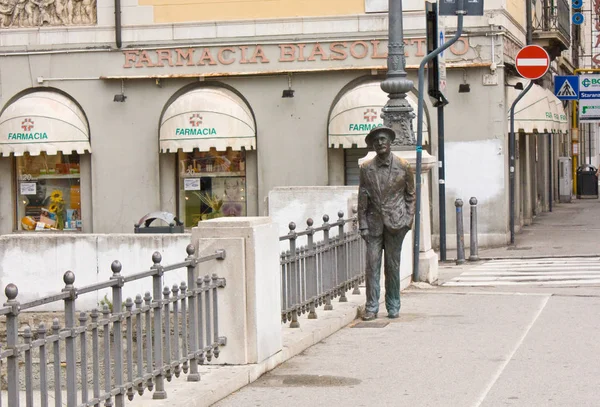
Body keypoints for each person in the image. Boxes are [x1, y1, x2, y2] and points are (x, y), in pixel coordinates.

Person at [358, 126, 416, 321]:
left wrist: (408, 220)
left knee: (393, 266)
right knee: (371, 266)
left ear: (390, 142)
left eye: (383, 139)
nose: (380, 143)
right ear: (373, 145)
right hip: (373, 224)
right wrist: (363, 224)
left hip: (396, 223)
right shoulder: (366, 168)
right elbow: (362, 198)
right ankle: (372, 307)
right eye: (376, 141)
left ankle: (393, 304)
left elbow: (410, 195)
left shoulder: (404, 166)